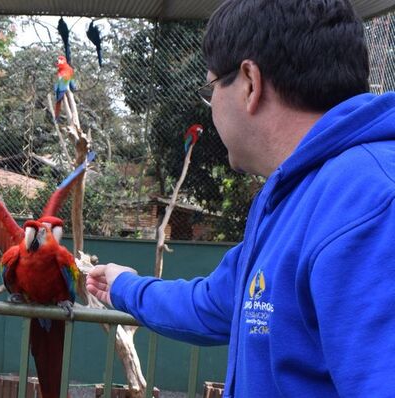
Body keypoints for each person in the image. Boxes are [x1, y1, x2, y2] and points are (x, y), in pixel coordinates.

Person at [86, 0, 395, 396]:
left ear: (249, 82)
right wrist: (123, 286)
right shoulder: (290, 196)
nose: (212, 105)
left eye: (211, 88)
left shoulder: (370, 204)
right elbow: (213, 304)